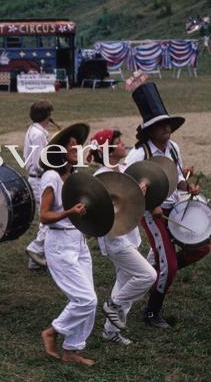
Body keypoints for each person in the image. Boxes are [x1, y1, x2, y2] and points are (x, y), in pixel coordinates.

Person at [125, 83, 208, 329]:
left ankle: (157, 268)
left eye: (168, 123)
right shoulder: (138, 155)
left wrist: (188, 187)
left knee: (201, 247)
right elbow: (127, 188)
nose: (167, 127)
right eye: (162, 125)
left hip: (174, 208)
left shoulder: (173, 148)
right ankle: (152, 312)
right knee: (170, 266)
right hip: (153, 214)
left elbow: (178, 177)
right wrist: (151, 207)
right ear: (150, 130)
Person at [88, 129, 156, 346]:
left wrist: (139, 192)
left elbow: (129, 202)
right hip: (115, 239)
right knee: (147, 275)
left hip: (131, 235)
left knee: (125, 281)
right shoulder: (101, 176)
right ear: (107, 149)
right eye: (118, 142)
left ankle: (110, 332)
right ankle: (113, 304)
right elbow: (101, 210)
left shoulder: (124, 170)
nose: (124, 144)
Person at [39, 124, 96, 366]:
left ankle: (72, 351)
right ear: (59, 151)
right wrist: (70, 212)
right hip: (60, 244)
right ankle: (52, 331)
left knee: (89, 299)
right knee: (86, 300)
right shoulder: (51, 176)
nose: (75, 147)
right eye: (70, 144)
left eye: (76, 144)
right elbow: (44, 216)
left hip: (78, 241)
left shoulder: (72, 177)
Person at [24, 100, 55, 270]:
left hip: (39, 179)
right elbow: (38, 163)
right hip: (39, 180)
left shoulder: (38, 131)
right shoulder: (37, 134)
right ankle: (34, 249)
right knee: (48, 219)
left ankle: (35, 261)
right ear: (47, 115)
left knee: (47, 220)